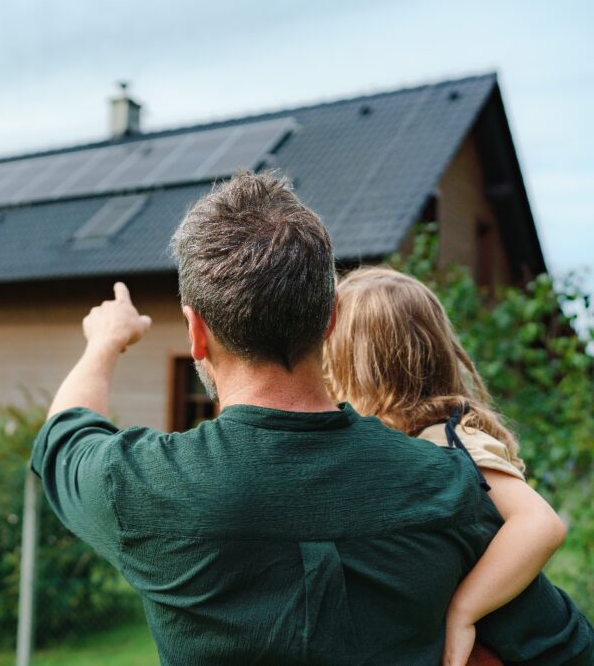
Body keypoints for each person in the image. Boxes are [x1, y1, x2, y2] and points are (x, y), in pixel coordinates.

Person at [30, 171, 592, 665]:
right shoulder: (446, 483)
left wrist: (105, 342)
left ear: (196, 332)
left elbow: (66, 431)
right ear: (327, 321)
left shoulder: (141, 486)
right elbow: (568, 648)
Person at [322, 267, 568, 666]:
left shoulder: (450, 440)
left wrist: (463, 612)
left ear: (359, 367)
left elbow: (540, 525)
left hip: (541, 651)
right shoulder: (409, 442)